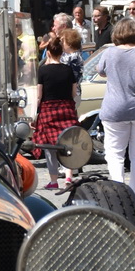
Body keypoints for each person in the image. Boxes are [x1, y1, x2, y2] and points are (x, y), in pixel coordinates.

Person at [92, 17, 135, 202]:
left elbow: (100, 71)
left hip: (114, 109)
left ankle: (118, 193)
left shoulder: (109, 53)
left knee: (114, 152)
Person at [31, 35, 79, 193]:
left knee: (50, 147)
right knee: (67, 143)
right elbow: (73, 93)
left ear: (48, 53)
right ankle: (68, 178)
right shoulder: (68, 70)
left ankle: (53, 181)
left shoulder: (43, 70)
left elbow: (39, 95)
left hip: (48, 110)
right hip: (66, 108)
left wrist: (35, 115)